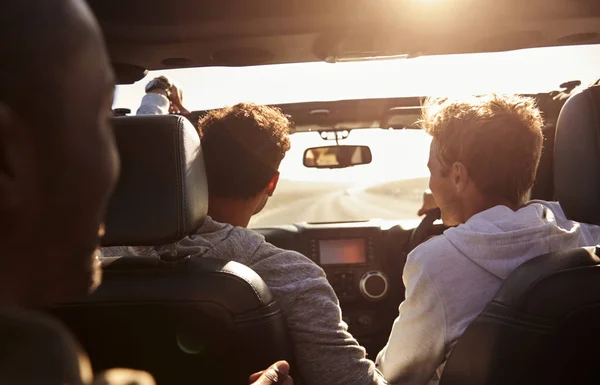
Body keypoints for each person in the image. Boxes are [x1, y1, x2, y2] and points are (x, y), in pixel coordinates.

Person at [0, 1, 290, 384]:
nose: (126, 162)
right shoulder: (38, 357)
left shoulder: (37, 358)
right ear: (7, 156)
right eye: (102, 121)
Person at [105, 92, 386, 385]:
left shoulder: (99, 260)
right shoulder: (294, 277)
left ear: (197, 169)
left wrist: (157, 97)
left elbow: (133, 148)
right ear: (271, 183)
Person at [375, 94, 600, 384]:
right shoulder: (585, 235)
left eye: (432, 171)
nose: (431, 183)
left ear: (458, 176)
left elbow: (395, 375)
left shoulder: (436, 263)